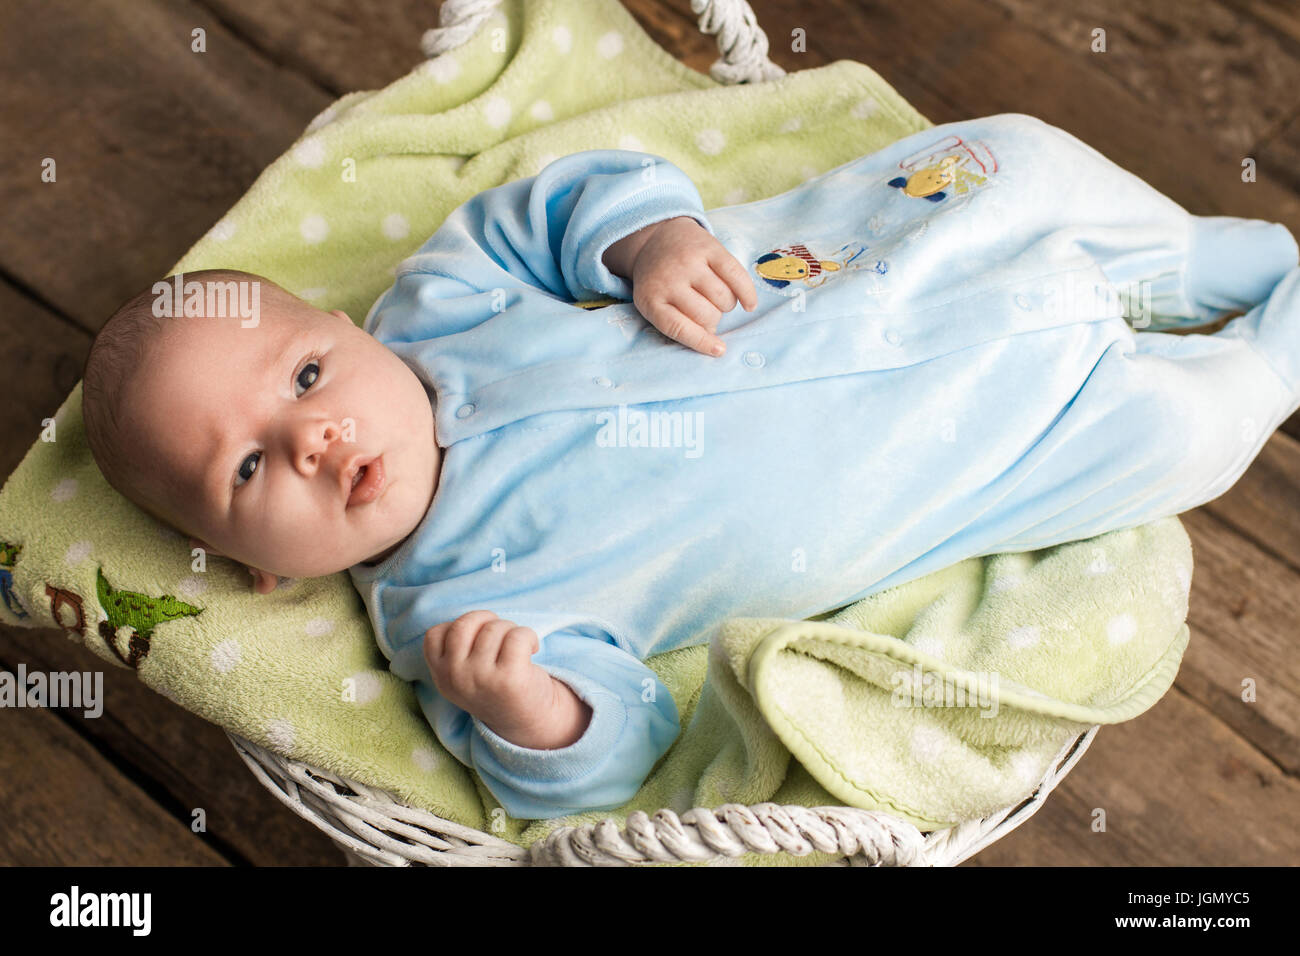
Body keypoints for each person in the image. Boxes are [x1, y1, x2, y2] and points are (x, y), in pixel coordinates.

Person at [80, 113, 1300, 819]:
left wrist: (647, 239)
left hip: (881, 271)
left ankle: (1220, 256)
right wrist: (533, 712)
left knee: (1019, 166)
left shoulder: (441, 305)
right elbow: (619, 745)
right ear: (256, 575)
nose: (314, 437)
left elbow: (551, 204)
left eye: (302, 379)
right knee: (1175, 436)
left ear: (346, 333)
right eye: (248, 471)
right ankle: (1275, 345)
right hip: (977, 446)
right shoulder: (452, 615)